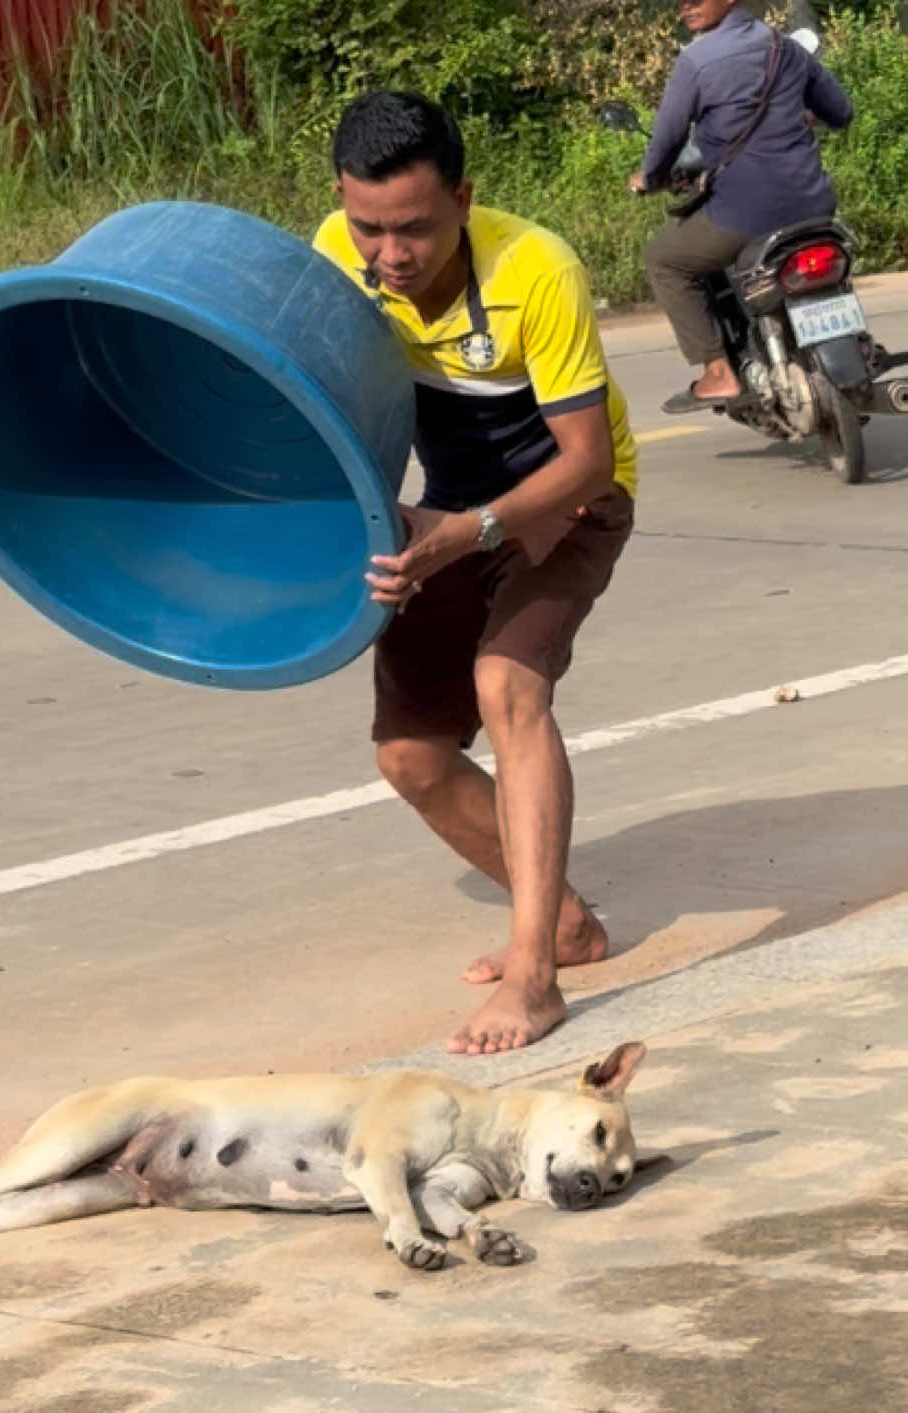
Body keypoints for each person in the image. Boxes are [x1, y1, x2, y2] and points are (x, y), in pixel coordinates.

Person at [313, 91, 637, 1054]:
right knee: (408, 756)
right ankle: (568, 924)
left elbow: (584, 460)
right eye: (368, 226)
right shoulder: (339, 252)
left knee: (509, 686)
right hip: (449, 509)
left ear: (462, 196)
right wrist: (391, 528)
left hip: (570, 503)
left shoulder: (534, 269)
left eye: (412, 227)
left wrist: (469, 532)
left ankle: (535, 975)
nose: (388, 253)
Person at [632, 0, 853, 413]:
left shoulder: (696, 61)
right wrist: (802, 116)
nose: (684, 5)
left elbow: (667, 138)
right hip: (815, 202)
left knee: (664, 259)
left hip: (745, 213)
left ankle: (717, 372)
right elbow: (840, 112)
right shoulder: (785, 48)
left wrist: (649, 178)